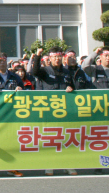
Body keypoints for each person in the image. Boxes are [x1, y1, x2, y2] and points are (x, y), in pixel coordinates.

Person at [29, 47, 76, 176]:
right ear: (49, 58)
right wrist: (38, 56)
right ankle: (49, 165)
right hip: (49, 111)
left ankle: (67, 165)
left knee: (66, 138)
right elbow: (35, 71)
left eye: (59, 57)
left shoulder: (67, 72)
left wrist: (71, 88)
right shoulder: (45, 71)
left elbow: (73, 86)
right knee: (51, 139)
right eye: (54, 57)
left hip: (65, 111)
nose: (57, 59)